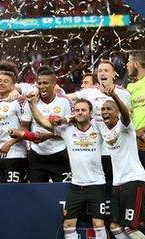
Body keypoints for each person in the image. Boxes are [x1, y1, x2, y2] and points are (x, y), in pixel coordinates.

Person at [27, 97, 108, 239]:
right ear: (73, 113)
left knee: (99, 225)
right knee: (68, 226)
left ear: (90, 113)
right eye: (77, 110)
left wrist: (65, 118)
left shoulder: (99, 128)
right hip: (76, 187)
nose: (80, 113)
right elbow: (42, 122)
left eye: (84, 110)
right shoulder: (67, 130)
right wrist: (31, 104)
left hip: (96, 185)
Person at [67, 60, 132, 182]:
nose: (102, 73)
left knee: (117, 183)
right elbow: (67, 97)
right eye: (100, 71)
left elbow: (128, 119)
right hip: (97, 149)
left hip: (117, 148)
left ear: (113, 74)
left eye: (106, 70)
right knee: (100, 184)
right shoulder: (89, 92)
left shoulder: (124, 94)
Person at [98, 88, 145, 239]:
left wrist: (114, 95)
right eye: (103, 109)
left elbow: (126, 115)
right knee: (114, 227)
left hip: (133, 180)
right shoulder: (106, 131)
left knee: (130, 228)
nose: (105, 111)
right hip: (117, 183)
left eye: (109, 109)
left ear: (117, 113)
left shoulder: (125, 126)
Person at [16, 66, 72, 183]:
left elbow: (68, 131)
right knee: (38, 195)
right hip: (37, 155)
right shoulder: (30, 103)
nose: (42, 86)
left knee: (62, 193)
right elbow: (24, 126)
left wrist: (44, 136)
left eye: (45, 83)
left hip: (59, 153)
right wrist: (25, 135)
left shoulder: (64, 102)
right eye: (39, 83)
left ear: (54, 84)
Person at [0, 70, 29, 183]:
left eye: (5, 81)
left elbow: (25, 129)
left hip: (16, 154)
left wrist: (9, 144)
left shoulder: (18, 103)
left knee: (14, 192)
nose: (1, 83)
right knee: (0, 192)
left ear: (13, 86)